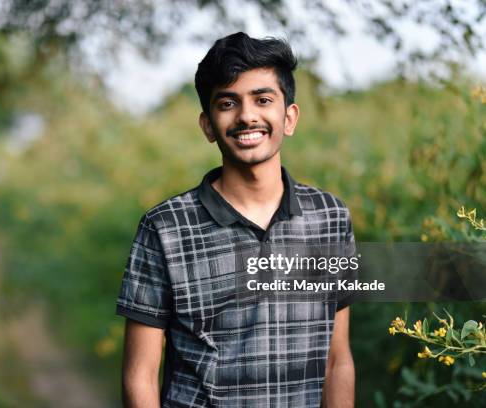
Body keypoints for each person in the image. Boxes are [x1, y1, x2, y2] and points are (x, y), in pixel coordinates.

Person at [117, 32, 355, 407]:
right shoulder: (164, 228)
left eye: (263, 100)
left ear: (289, 117)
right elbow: (140, 375)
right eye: (228, 103)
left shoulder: (330, 218)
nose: (247, 116)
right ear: (208, 125)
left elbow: (336, 361)